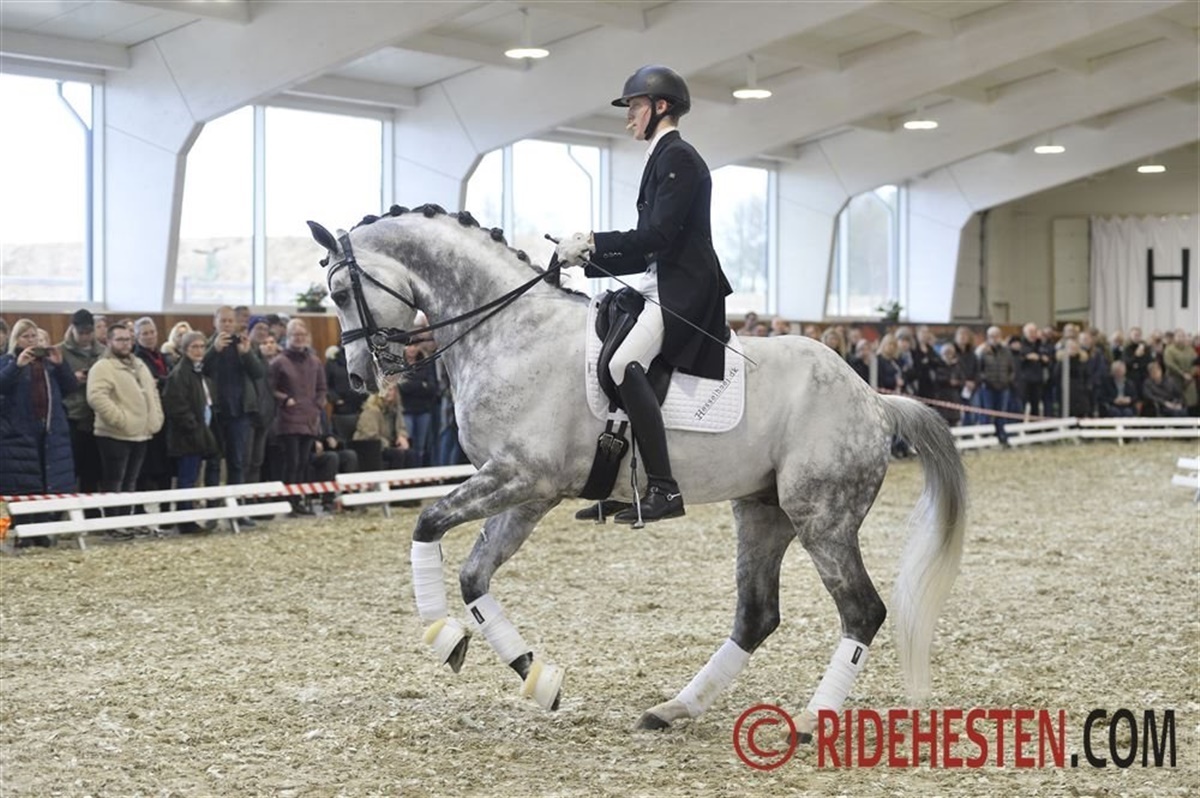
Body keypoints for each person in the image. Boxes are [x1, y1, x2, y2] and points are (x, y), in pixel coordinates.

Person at [555, 64, 731, 524]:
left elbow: (657, 236)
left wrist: (594, 241)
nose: (628, 116)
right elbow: (648, 248)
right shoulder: (661, 156)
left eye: (634, 106)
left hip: (684, 287)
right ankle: (622, 483)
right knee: (604, 353)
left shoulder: (678, 158)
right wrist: (587, 260)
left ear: (660, 106)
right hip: (661, 277)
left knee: (622, 364)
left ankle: (665, 489)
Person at [0, 319, 78, 547]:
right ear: (16, 340)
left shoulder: (49, 365)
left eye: (34, 336)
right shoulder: (7, 361)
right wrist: (18, 366)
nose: (31, 341)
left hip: (50, 431)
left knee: (47, 482)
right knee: (23, 483)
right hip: (19, 434)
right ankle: (23, 532)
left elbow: (71, 387)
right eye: (26, 337)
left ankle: (43, 530)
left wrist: (61, 365)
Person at [86, 322, 164, 535]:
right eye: (120, 339)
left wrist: (155, 417)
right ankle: (113, 524)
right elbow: (96, 396)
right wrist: (120, 419)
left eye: (128, 339)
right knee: (114, 481)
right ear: (109, 341)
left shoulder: (139, 364)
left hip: (141, 433)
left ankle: (126, 520)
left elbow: (153, 392)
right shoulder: (103, 367)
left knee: (131, 481)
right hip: (114, 434)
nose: (125, 343)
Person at [202, 306, 264, 508]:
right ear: (215, 322)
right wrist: (214, 350)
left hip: (240, 411)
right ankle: (212, 508)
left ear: (235, 323)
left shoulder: (244, 343)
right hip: (216, 411)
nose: (227, 325)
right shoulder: (206, 344)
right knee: (213, 462)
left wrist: (246, 354)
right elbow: (200, 369)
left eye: (230, 321)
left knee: (237, 462)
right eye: (223, 321)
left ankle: (237, 508)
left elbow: (259, 373)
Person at [163, 332, 220, 534]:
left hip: (200, 431)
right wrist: (193, 426)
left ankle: (189, 518)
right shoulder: (180, 374)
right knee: (186, 479)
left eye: (202, 346)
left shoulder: (198, 371)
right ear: (185, 349)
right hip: (187, 435)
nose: (199, 351)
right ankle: (185, 520)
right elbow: (177, 406)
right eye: (194, 347)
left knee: (193, 477)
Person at [269, 319, 326, 516]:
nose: (299, 338)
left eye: (302, 335)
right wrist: (285, 400)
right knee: (291, 463)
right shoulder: (279, 362)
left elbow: (322, 387)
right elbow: (270, 388)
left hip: (309, 419)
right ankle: (288, 502)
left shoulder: (315, 362)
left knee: (303, 462)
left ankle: (298, 500)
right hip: (288, 420)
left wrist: (318, 404)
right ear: (288, 337)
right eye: (295, 335)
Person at [353, 383, 411, 469]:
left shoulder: (395, 410)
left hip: (386, 445)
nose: (387, 393)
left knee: (411, 454)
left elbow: (401, 427)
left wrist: (401, 436)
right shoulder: (371, 411)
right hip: (370, 447)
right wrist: (387, 443)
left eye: (390, 390)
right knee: (397, 454)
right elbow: (370, 435)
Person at [978, 326, 1016, 446]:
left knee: (1002, 414)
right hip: (988, 387)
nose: (994, 338)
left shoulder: (1007, 352)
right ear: (988, 337)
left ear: (1000, 337)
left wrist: (1007, 381)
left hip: (1004, 388)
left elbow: (1012, 369)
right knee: (987, 414)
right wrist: (986, 380)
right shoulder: (983, 351)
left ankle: (1002, 437)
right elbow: (979, 370)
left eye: (996, 336)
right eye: (991, 336)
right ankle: (985, 439)